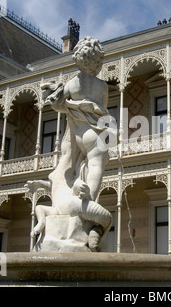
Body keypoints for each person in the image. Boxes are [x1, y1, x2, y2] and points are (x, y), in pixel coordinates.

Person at [26, 37, 114, 252]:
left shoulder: (72, 84)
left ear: (77, 59)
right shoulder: (102, 86)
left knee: (73, 171)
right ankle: (89, 208)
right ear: (98, 62)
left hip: (77, 136)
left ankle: (86, 211)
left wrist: (58, 98)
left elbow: (57, 105)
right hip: (97, 135)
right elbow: (103, 111)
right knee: (94, 168)